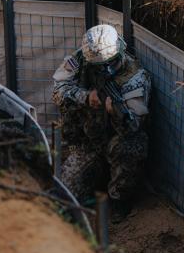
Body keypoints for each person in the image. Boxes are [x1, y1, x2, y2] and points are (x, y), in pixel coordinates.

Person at [53, 24, 151, 218]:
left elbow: (134, 126)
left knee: (132, 145)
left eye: (111, 63)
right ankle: (95, 178)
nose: (105, 70)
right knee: (65, 197)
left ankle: (119, 198)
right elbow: (57, 91)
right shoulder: (82, 57)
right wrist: (85, 97)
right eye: (98, 66)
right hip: (88, 141)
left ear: (120, 50)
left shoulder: (135, 78)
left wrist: (115, 111)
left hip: (117, 140)